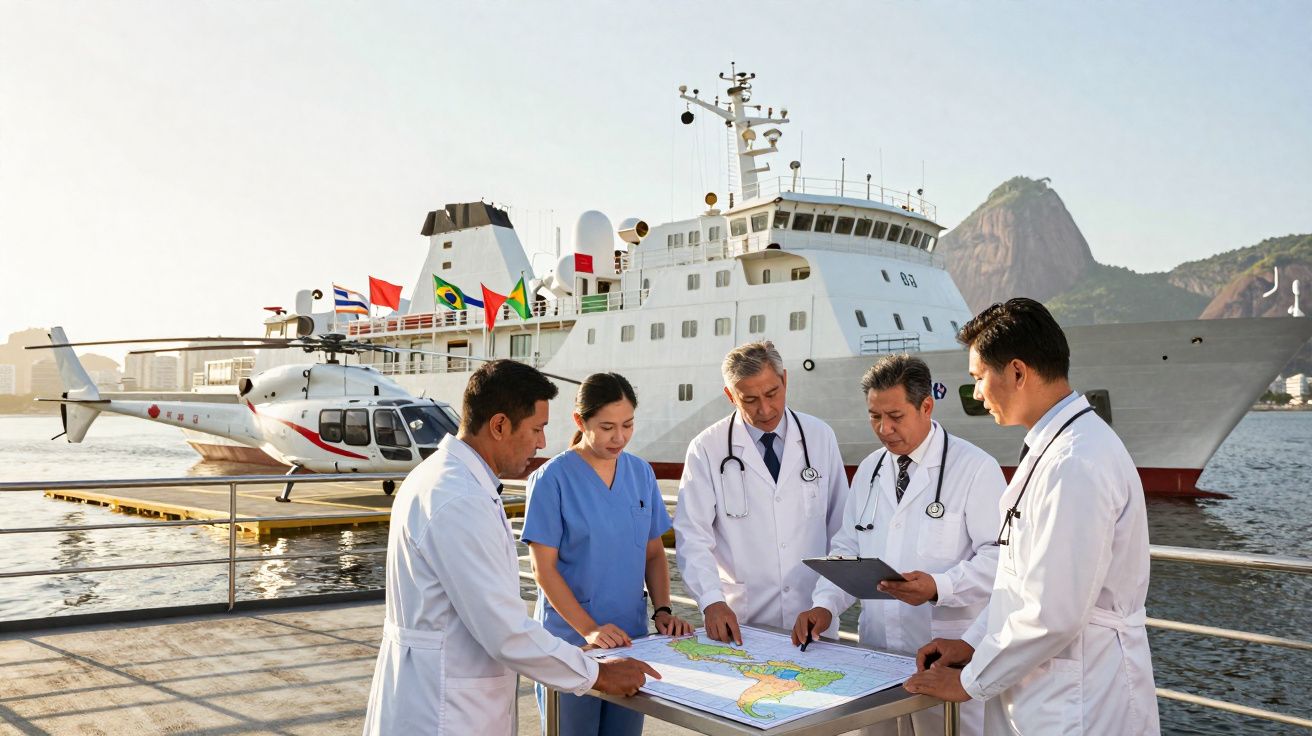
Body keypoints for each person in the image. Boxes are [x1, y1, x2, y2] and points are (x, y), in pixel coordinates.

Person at [904, 298, 1160, 735]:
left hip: (1078, 698)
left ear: (1018, 372)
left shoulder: (1074, 461)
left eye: (979, 378)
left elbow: (1052, 612)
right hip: (1047, 690)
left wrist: (970, 679)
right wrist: (971, 643)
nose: (977, 393)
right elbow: (1016, 580)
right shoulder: (1055, 448)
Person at [362, 359, 659, 735]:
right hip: (446, 709)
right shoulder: (458, 499)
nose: (542, 443)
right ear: (500, 425)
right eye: (537, 429)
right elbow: (504, 630)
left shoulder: (445, 479)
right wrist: (597, 673)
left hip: (446, 689)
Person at [791, 354, 1004, 736]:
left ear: (926, 406)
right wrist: (824, 606)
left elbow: (1001, 558)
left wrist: (940, 586)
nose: (884, 429)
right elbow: (846, 544)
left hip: (947, 657)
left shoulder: (976, 468)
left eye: (895, 416)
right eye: (874, 416)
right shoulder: (872, 468)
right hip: (878, 659)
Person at [523, 372, 694, 736]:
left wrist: (663, 610)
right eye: (606, 427)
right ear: (579, 422)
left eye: (628, 425)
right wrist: (591, 630)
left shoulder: (640, 473)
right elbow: (543, 570)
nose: (619, 437)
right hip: (572, 646)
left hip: (632, 643)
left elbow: (653, 554)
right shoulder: (552, 479)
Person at [675, 340, 849, 644]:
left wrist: (828, 602)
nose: (765, 409)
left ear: (785, 380)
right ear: (730, 396)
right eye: (750, 399)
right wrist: (711, 600)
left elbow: (842, 531)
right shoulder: (707, 448)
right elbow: (692, 536)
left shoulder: (819, 436)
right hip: (741, 621)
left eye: (772, 393)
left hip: (813, 618)